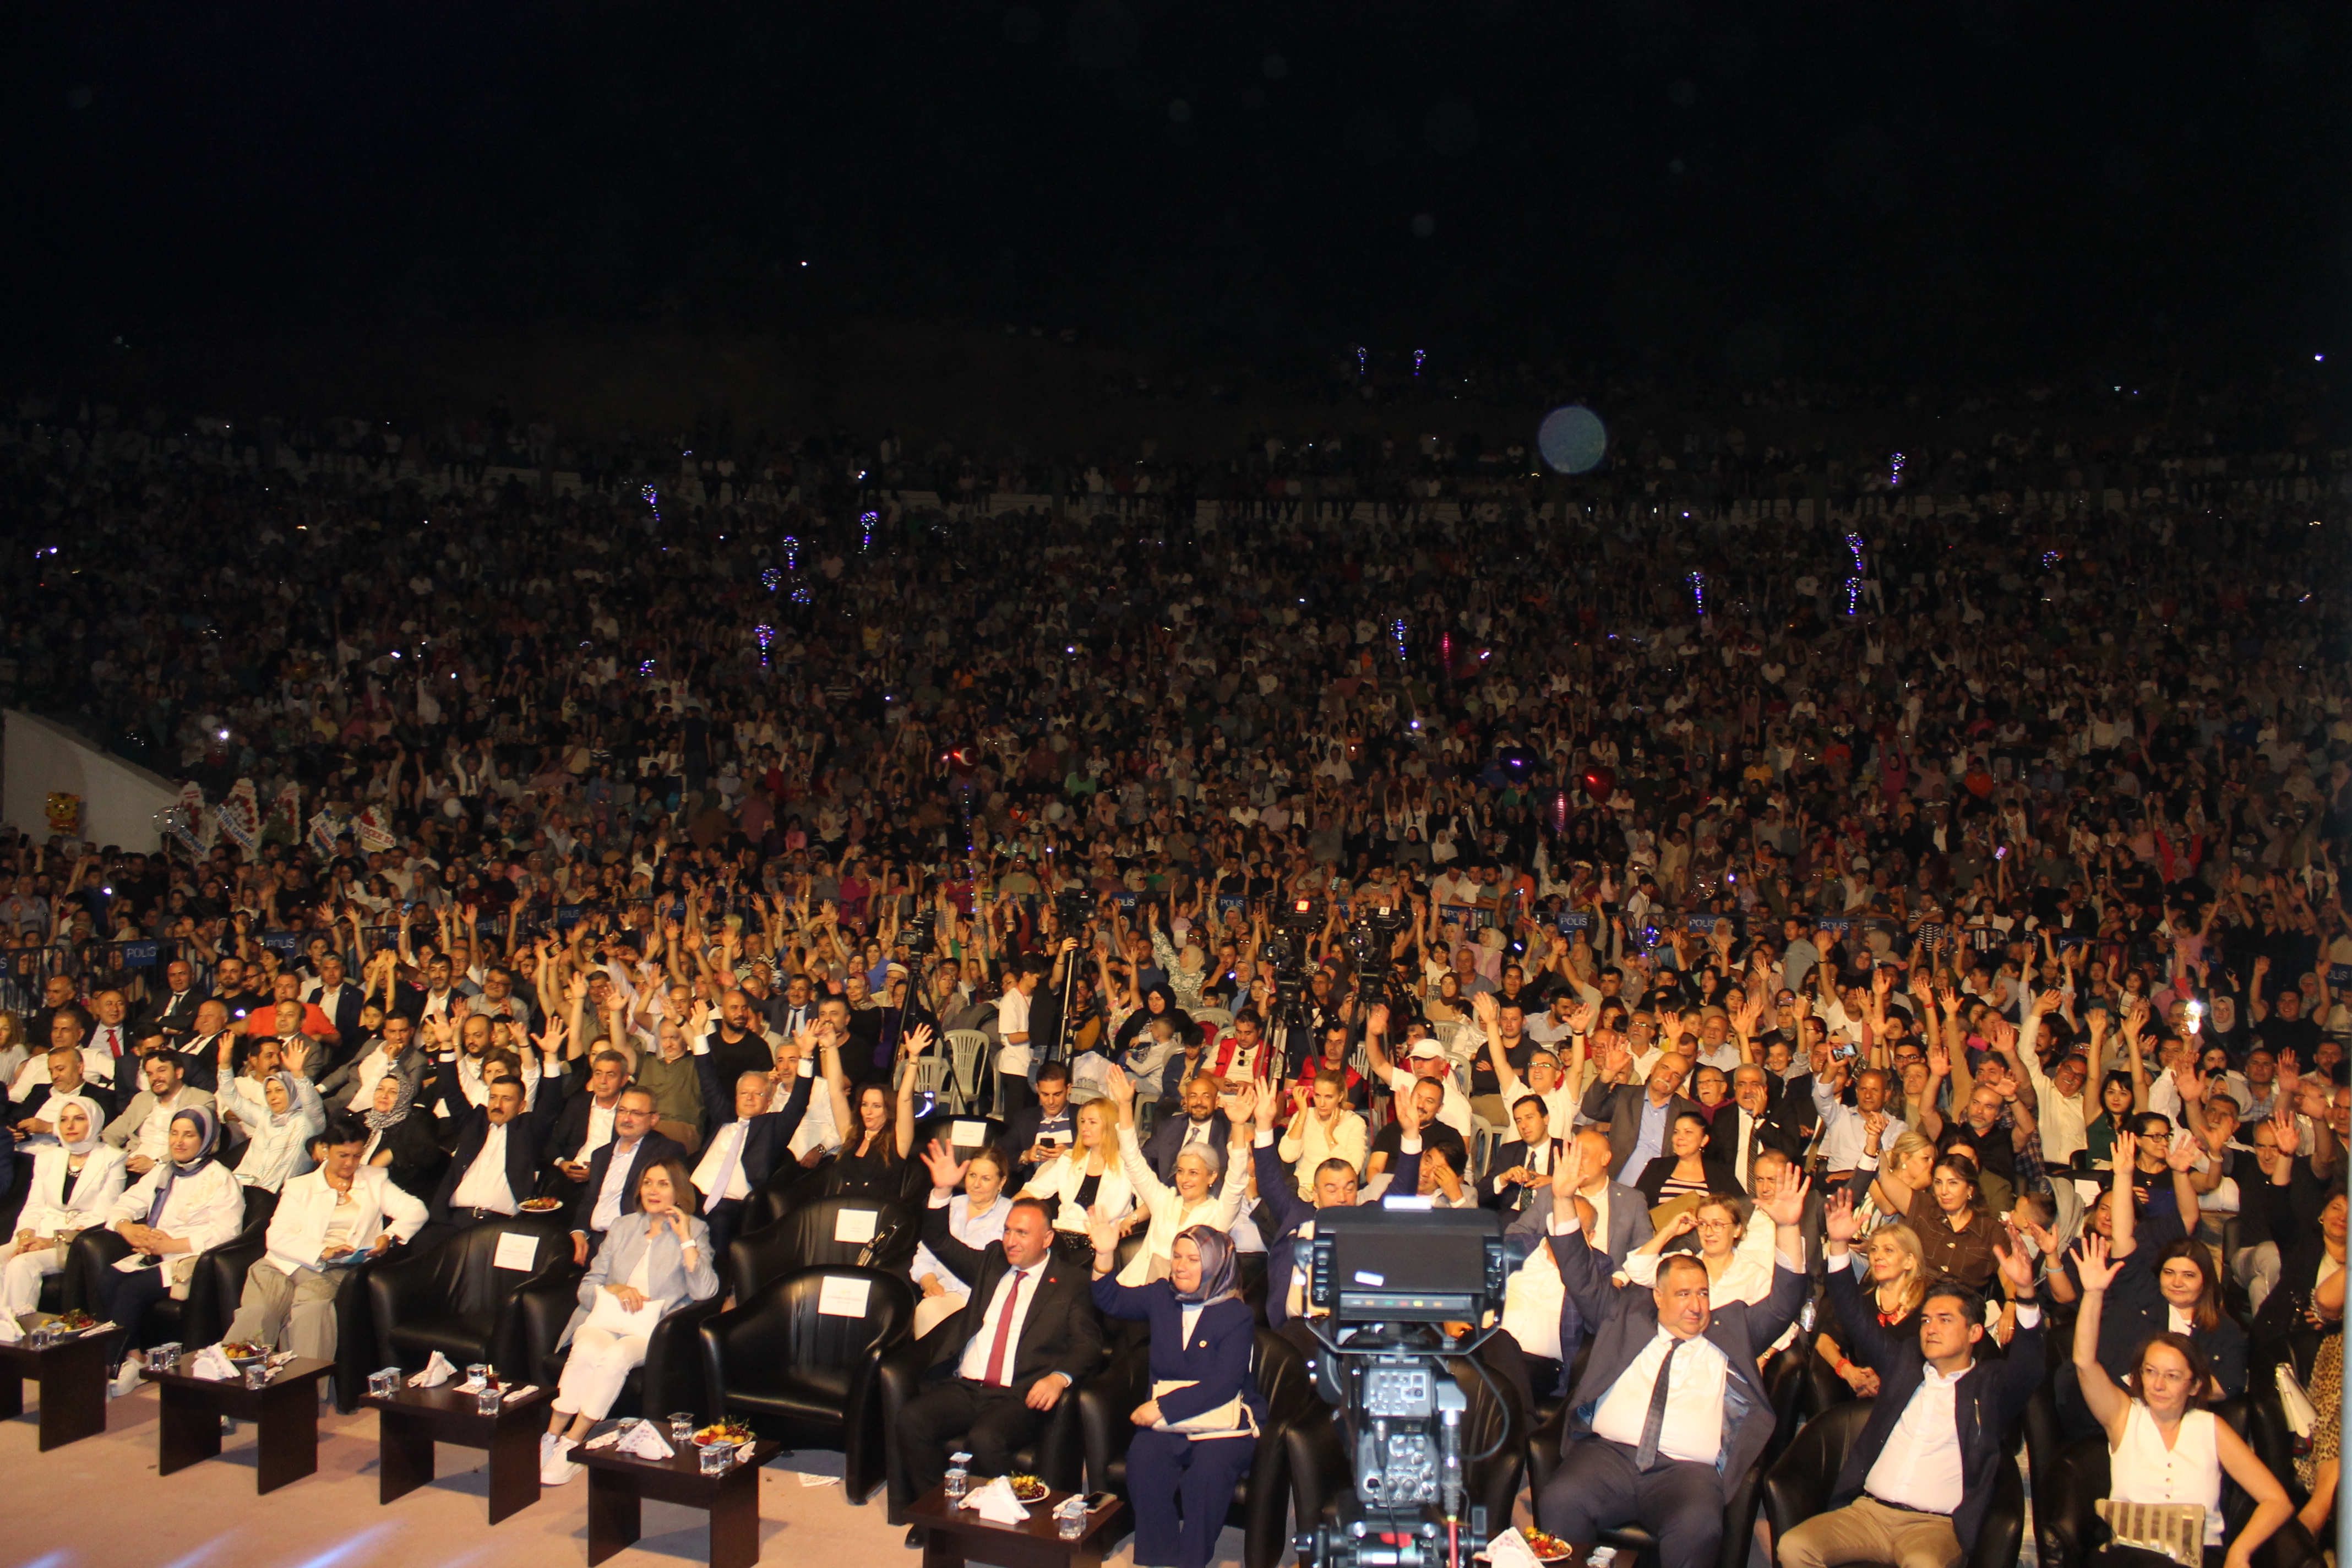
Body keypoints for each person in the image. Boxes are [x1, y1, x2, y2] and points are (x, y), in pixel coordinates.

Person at [1538, 1136, 1812, 1568]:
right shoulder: (1627, 1314)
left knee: (1698, 1527)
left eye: (1703, 1293)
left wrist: (1789, 1228)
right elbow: (1579, 1273)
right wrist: (1562, 1199)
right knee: (1559, 1499)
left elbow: (1784, 1303)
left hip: (1687, 1473)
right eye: (1684, 1295)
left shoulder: (1731, 1330)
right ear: (1658, 1297)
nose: (1697, 1305)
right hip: (1609, 1457)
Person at [1779, 1190, 2043, 1568]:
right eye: (1927, 1320)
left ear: (1974, 1333)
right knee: (1794, 1546)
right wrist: (1838, 1245)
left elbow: (2030, 1368)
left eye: (1945, 1320)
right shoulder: (1904, 1364)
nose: (1931, 1327)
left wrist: (2027, 1295)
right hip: (1868, 1513)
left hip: (1933, 1527)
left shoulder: (1989, 1387)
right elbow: (1854, 1316)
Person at [895, 1167, 1103, 1543]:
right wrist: (942, 1190)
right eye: (1007, 1231)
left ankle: (1009, 1528)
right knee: (912, 1419)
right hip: (967, 1386)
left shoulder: (1070, 1282)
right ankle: (937, 1520)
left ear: (1047, 1239)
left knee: (985, 1439)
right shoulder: (993, 1261)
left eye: (1022, 1233)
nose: (1010, 1240)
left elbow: (1088, 1343)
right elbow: (939, 1241)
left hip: (1017, 1393)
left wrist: (1059, 1378)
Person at [2068, 1234, 2293, 1568]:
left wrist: (2240, 1551)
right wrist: (2093, 1293)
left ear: (2195, 1385)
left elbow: (2277, 1501)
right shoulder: (2124, 1416)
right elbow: (2085, 1363)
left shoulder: (2211, 1428)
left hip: (2199, 1558)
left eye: (2172, 1376)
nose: (2158, 1385)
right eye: (2150, 1372)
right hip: (2131, 1558)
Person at [1085, 1216, 1263, 1568]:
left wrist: (1163, 1407)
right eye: (1177, 1256)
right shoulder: (1161, 1296)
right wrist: (1104, 1255)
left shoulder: (1236, 1315)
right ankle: (1159, 1557)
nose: (1181, 1266)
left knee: (1207, 1475)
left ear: (1216, 1264)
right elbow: (1111, 1300)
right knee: (1144, 1459)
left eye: (1193, 1259)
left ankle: (1191, 1561)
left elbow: (1226, 1384)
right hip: (1169, 1421)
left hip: (1222, 1421)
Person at [540, 1157, 718, 1485]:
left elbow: (705, 1292)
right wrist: (615, 1289)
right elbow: (587, 1287)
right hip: (606, 1320)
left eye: (663, 1184)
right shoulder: (623, 1227)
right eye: (648, 1183)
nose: (653, 1191)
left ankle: (573, 1442)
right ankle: (551, 1436)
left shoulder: (696, 1230)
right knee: (586, 1350)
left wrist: (685, 1239)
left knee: (616, 1357)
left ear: (679, 1192)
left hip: (650, 1331)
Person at [222, 1109, 427, 1362]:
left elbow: (415, 1210)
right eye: (343, 1155)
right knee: (259, 1311)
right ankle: (231, 1377)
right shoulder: (300, 1186)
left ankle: (304, 1383)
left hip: (334, 1271)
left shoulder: (374, 1181)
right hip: (283, 1264)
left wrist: (390, 1236)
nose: (350, 1163)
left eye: (356, 1156)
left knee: (312, 1310)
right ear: (326, 1150)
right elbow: (276, 1236)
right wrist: (322, 1251)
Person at [94, 1107, 244, 1396]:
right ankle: (135, 1358)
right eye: (174, 1133)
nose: (179, 1141)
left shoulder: (220, 1178)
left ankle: (106, 1370)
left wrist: (169, 1246)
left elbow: (226, 1233)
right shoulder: (163, 1172)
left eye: (189, 1135)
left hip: (189, 1259)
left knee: (132, 1289)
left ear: (206, 1139)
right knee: (108, 1279)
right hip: (155, 1253)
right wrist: (127, 1228)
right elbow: (125, 1204)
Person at [1108, 1067, 1249, 1286]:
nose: (1184, 1179)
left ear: (1212, 1177)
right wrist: (1126, 1105)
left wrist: (1238, 1125)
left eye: (1194, 1173)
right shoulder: (1163, 1200)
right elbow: (1133, 1160)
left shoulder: (1220, 1213)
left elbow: (1237, 1178)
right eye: (1181, 1171)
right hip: (1141, 1290)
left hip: (1190, 1295)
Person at [1, 1095, 127, 1319]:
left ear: (94, 1122)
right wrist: (25, 1238)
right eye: (64, 1119)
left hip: (76, 1242)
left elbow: (102, 1215)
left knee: (21, 1264)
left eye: (79, 1119)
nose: (70, 1126)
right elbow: (33, 1206)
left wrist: (52, 1242)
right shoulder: (47, 1158)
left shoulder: (113, 1159)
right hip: (38, 1235)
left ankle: (19, 1331)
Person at [691, 1053, 816, 1259]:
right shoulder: (723, 1118)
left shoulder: (773, 1127)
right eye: (744, 1093)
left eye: (758, 1094)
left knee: (718, 1224)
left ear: (769, 1102)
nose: (749, 1098)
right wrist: (699, 1039)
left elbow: (799, 1102)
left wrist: (807, 1057)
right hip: (691, 1194)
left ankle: (716, 1278)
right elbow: (708, 1081)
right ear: (736, 1097)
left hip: (730, 1202)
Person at [566, 1085, 686, 1265]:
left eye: (636, 1113)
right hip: (595, 1242)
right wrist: (579, 1232)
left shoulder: (666, 1151)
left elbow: (670, 1204)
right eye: (622, 1111)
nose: (626, 1119)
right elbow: (589, 1201)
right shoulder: (601, 1155)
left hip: (634, 1243)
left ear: (653, 1119)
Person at [1816, 1219, 1930, 1400]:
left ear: (1909, 1261)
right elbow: (1824, 1341)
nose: (1878, 1257)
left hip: (1914, 1397)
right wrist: (1848, 1371)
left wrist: (1888, 1381)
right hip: (1865, 1395)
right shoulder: (1862, 1299)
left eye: (1888, 1250)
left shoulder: (1929, 1304)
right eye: (1874, 1250)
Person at [912, 1145, 1014, 1337]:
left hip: (983, 1301)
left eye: (986, 1179)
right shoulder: (949, 1207)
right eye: (972, 1175)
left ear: (1002, 1182)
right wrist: (930, 1283)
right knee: (928, 1310)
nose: (976, 1184)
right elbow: (924, 1256)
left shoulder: (1012, 1216)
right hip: (943, 1294)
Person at [1020, 1098, 1137, 1252]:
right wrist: (1006, 1209)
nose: (1084, 1128)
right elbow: (1034, 1190)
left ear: (1109, 1127)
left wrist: (1130, 1220)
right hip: (1062, 1236)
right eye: (1083, 1122)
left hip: (1103, 1240)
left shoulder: (1128, 1164)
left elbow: (1149, 1202)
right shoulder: (1069, 1160)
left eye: (1092, 1122)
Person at [360, 1073, 445, 1200]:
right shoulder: (363, 1118)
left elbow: (429, 1153)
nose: (384, 1095)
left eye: (393, 1092)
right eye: (380, 1089)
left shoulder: (417, 1118)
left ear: (404, 1097)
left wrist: (392, 1153)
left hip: (391, 1192)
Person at [1631, 1110, 1740, 1210]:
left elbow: (1739, 1207)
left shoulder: (1720, 1174)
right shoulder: (1657, 1166)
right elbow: (1635, 1205)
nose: (1680, 1137)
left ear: (1704, 1140)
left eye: (1688, 1132)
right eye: (1676, 1132)